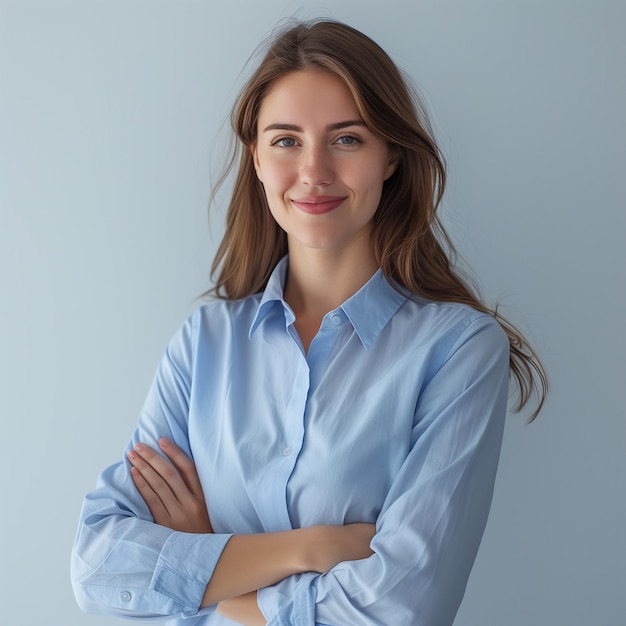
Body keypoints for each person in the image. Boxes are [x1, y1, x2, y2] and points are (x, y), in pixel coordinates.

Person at [71, 19, 547, 626]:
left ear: (391, 157)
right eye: (286, 140)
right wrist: (312, 549)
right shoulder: (205, 343)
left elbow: (400, 609)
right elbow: (98, 568)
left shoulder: (457, 349)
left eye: (347, 140)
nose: (314, 171)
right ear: (258, 161)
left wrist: (208, 561)